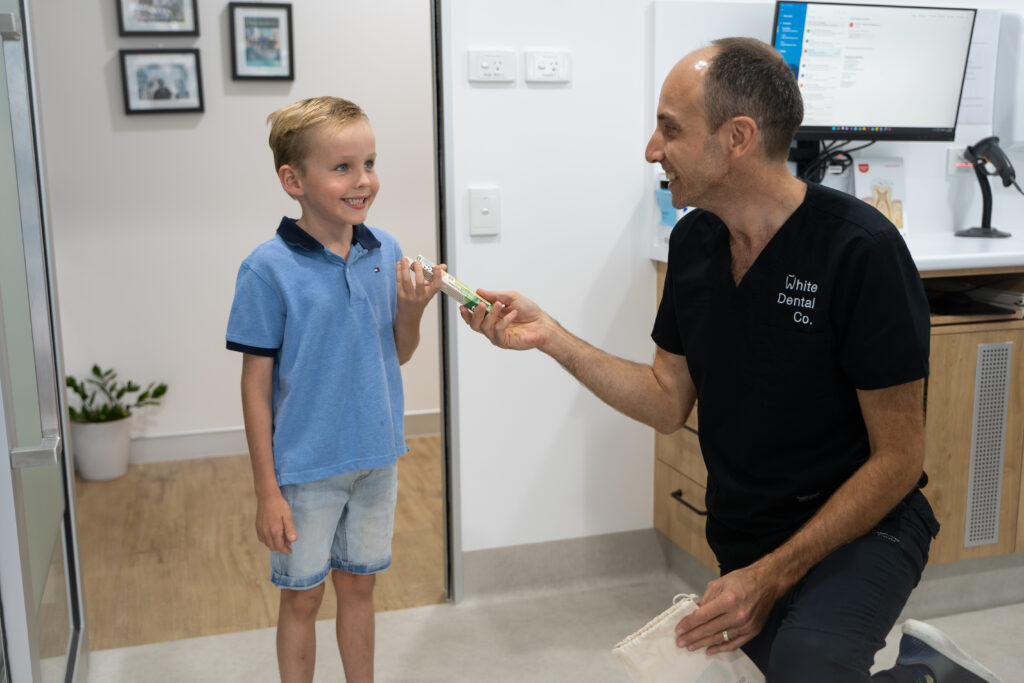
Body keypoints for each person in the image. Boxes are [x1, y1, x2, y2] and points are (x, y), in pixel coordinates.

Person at [460, 38, 1001, 683]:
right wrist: (551, 336)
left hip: (866, 528)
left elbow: (898, 460)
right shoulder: (694, 242)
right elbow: (667, 401)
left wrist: (771, 577)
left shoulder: (861, 252)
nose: (651, 149)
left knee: (811, 664)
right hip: (748, 533)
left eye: (670, 128)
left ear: (737, 137)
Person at [225, 96, 443, 683]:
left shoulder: (385, 251)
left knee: (360, 588)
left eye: (369, 163)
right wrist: (267, 490)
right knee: (302, 597)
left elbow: (394, 354)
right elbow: (255, 389)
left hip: (377, 460)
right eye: (342, 167)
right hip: (304, 470)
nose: (363, 180)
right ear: (292, 180)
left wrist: (414, 312)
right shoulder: (266, 269)